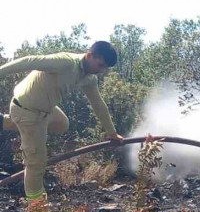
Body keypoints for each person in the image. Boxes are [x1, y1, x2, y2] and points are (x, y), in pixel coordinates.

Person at [0, 41, 124, 203]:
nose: (102, 71)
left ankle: (4, 122)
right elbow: (28, 61)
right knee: (36, 165)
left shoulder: (89, 78)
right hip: (27, 110)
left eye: (105, 68)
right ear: (89, 56)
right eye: (100, 65)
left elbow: (98, 104)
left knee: (62, 124)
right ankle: (37, 209)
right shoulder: (65, 62)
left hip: (45, 110)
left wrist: (111, 133)